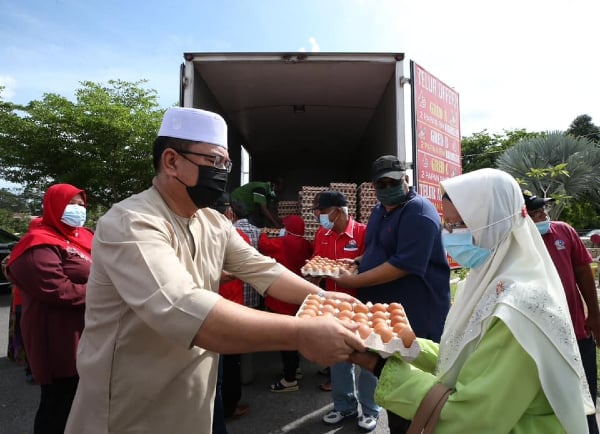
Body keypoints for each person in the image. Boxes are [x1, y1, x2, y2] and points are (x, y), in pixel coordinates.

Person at [64, 107, 365, 434]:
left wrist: (326, 299)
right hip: (130, 412)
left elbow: (264, 270)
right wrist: (301, 333)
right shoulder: (132, 223)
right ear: (171, 161)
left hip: (193, 407)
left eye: (226, 164)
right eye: (213, 162)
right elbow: (183, 307)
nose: (221, 173)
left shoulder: (212, 223)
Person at [349, 168, 595, 433]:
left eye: (458, 224)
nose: (449, 234)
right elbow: (462, 356)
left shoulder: (520, 310)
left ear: (494, 223)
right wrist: (399, 344)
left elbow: (470, 418)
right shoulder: (483, 283)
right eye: (448, 224)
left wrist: (380, 366)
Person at [333, 155, 451, 433]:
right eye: (382, 183)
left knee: (416, 385)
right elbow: (379, 247)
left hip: (416, 314)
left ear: (406, 179)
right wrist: (359, 260)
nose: (388, 187)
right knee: (392, 381)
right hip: (384, 311)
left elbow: (403, 264)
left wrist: (355, 280)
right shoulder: (379, 209)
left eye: (393, 181)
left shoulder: (418, 212)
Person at [6, 184, 94, 434]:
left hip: (90, 331)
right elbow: (58, 290)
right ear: (53, 206)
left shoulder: (84, 235)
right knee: (60, 405)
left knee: (85, 404)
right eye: (71, 204)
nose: (78, 210)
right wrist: (107, 292)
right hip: (59, 339)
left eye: (81, 205)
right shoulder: (37, 244)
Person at [524, 190, 600, 434]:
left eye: (543, 210)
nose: (543, 216)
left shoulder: (563, 231)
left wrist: (595, 314)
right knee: (547, 408)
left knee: (585, 404)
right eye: (535, 213)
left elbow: (583, 271)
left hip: (577, 334)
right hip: (539, 340)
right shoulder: (515, 242)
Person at [309, 191, 374, 429]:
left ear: (338, 211)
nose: (319, 217)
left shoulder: (363, 232)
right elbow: (316, 263)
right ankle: (345, 406)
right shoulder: (322, 234)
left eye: (322, 212)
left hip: (362, 307)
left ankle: (370, 410)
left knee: (368, 360)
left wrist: (356, 265)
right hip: (333, 307)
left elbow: (373, 261)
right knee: (338, 358)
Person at [258, 214, 314, 392]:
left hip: (281, 296)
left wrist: (264, 233)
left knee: (285, 338)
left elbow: (263, 245)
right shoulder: (306, 244)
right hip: (299, 296)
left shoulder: (282, 242)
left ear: (287, 227)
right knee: (296, 335)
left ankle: (289, 380)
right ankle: (295, 369)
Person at [211, 193, 250, 433]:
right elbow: (254, 266)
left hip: (211, 306)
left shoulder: (199, 234)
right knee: (229, 363)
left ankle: (220, 410)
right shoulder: (235, 235)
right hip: (229, 305)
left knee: (216, 367)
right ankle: (229, 406)